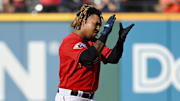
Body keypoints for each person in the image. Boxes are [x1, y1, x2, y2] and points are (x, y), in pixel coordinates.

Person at [55, 4, 134, 101]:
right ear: (84, 22)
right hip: (70, 97)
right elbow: (88, 57)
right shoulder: (70, 41)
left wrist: (120, 41)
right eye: (95, 24)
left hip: (90, 97)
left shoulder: (93, 42)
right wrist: (104, 34)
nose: (98, 28)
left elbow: (112, 58)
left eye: (100, 25)